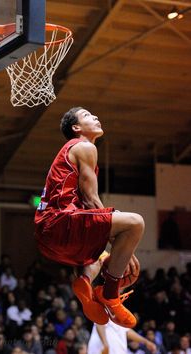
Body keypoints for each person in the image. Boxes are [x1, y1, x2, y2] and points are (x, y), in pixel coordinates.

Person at [34, 107, 145, 328]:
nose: (95, 116)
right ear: (76, 128)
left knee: (98, 256)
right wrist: (122, 245)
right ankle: (110, 295)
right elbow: (91, 198)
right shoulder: (83, 146)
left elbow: (86, 206)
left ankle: (84, 282)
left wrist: (111, 252)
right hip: (60, 222)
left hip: (47, 238)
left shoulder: (72, 151)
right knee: (134, 224)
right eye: (87, 115)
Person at [87, 320, 157, 354]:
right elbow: (99, 323)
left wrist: (146, 342)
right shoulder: (105, 305)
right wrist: (105, 344)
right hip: (103, 351)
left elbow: (127, 331)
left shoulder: (119, 313)